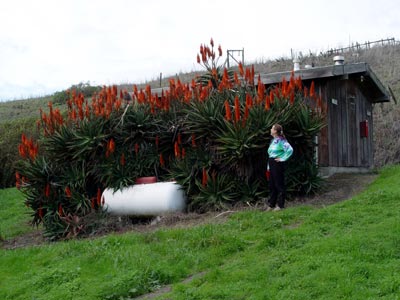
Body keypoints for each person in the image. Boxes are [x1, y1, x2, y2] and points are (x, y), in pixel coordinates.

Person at [265, 124, 293, 211]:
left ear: (275, 131)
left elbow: (290, 150)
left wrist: (282, 158)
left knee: (279, 184)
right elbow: (270, 154)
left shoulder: (281, 141)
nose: (270, 129)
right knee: (271, 184)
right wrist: (269, 167)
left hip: (277, 164)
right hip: (271, 163)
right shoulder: (273, 140)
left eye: (272, 128)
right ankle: (271, 204)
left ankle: (280, 205)